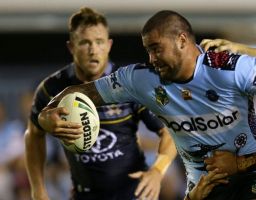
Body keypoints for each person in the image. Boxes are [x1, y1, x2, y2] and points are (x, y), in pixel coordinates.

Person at [38, 10, 256, 199]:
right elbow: (83, 91)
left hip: (255, 175)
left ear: (182, 40)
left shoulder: (229, 67)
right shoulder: (140, 79)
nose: (151, 58)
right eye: (147, 50)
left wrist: (252, 51)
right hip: (202, 190)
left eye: (156, 48)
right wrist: (46, 116)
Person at [24, 7, 177, 200]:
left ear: (109, 45)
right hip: (84, 194)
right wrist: (38, 190)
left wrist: (157, 171)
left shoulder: (129, 84)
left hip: (133, 192)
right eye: (85, 42)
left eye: (99, 42)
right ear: (71, 47)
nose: (93, 50)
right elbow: (33, 135)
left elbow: (169, 131)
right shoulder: (52, 88)